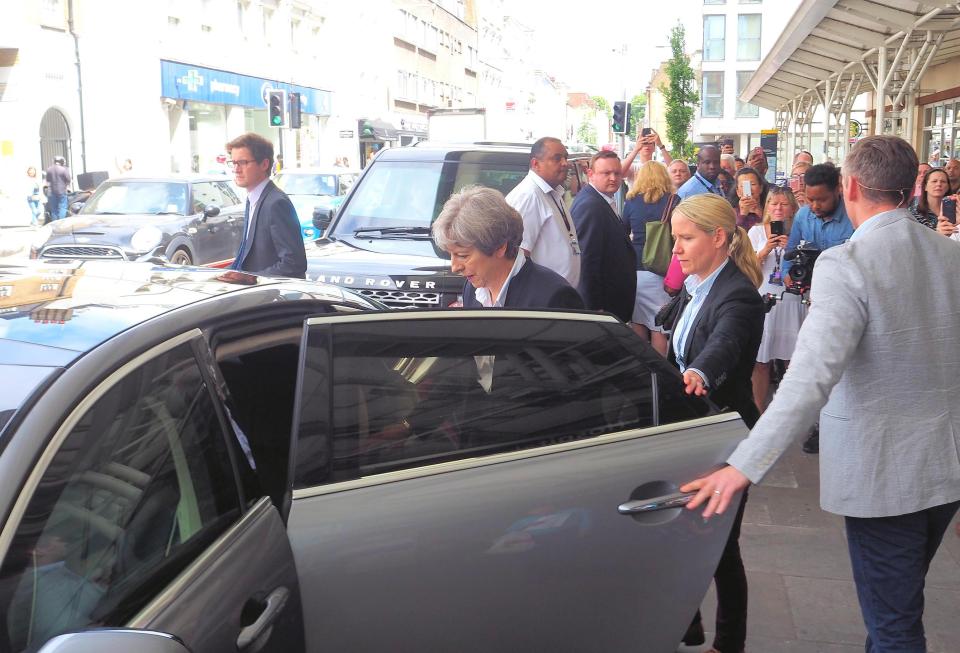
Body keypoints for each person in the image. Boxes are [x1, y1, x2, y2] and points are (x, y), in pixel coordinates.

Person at [683, 134, 960, 653]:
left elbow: (809, 377)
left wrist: (744, 466)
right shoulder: (950, 254)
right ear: (910, 185)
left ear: (852, 185)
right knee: (898, 608)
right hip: (946, 468)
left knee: (895, 626)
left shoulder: (846, 263)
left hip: (887, 478)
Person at [663, 193, 765, 653]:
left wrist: (697, 373)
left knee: (722, 547)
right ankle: (689, 624)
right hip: (696, 430)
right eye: (675, 239)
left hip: (727, 434)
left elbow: (722, 345)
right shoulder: (697, 283)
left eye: (685, 239)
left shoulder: (738, 294)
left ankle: (729, 643)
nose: (676, 250)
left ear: (719, 237)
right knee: (686, 534)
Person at [782, 162, 853, 453]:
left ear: (838, 190)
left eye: (821, 200)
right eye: (810, 199)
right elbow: (790, 249)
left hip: (849, 302)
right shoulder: (802, 215)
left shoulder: (853, 216)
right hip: (814, 301)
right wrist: (787, 271)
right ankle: (819, 426)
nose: (814, 206)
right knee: (819, 365)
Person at [432, 186, 583, 310]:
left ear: (499, 247)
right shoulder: (471, 289)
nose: (454, 267)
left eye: (463, 255)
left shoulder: (554, 296)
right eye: (451, 255)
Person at [748, 187, 804, 411]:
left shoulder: (800, 231)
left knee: (793, 363)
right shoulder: (756, 232)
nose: (778, 208)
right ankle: (758, 412)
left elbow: (806, 267)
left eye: (784, 204)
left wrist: (791, 249)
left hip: (791, 302)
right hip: (765, 300)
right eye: (774, 203)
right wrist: (765, 250)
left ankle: (791, 413)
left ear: (792, 208)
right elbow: (747, 267)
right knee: (761, 362)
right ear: (767, 207)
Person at [226, 132, 306, 278]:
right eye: (233, 163)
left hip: (274, 297)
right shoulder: (253, 200)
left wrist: (250, 279)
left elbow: (294, 264)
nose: (236, 169)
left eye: (243, 162)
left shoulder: (276, 203)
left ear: (264, 164)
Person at [505, 137, 581, 288]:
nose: (565, 163)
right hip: (544, 301)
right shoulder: (529, 196)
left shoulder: (552, 192)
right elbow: (518, 257)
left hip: (560, 296)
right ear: (536, 164)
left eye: (565, 157)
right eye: (557, 158)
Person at [570, 150, 636, 323]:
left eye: (617, 173)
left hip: (612, 306)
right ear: (590, 174)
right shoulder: (590, 206)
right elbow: (587, 260)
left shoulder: (601, 200)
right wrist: (594, 308)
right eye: (606, 173)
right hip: (603, 311)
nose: (613, 178)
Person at [622, 161, 676, 355]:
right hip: (662, 270)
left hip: (636, 270)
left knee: (637, 323)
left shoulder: (631, 200)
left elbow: (623, 231)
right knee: (659, 328)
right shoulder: (673, 200)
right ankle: (660, 377)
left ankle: (640, 373)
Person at [728, 166, 768, 231]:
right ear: (738, 191)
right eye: (743, 185)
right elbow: (734, 237)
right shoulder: (731, 213)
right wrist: (743, 214)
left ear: (761, 188)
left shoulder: (769, 208)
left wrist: (758, 212)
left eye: (752, 184)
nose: (748, 188)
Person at [44, 156, 71, 220]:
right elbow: (68, 179)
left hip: (52, 191)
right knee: (62, 207)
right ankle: (61, 221)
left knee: (54, 208)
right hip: (62, 191)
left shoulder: (49, 169)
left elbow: (48, 180)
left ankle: (55, 222)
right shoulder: (64, 169)